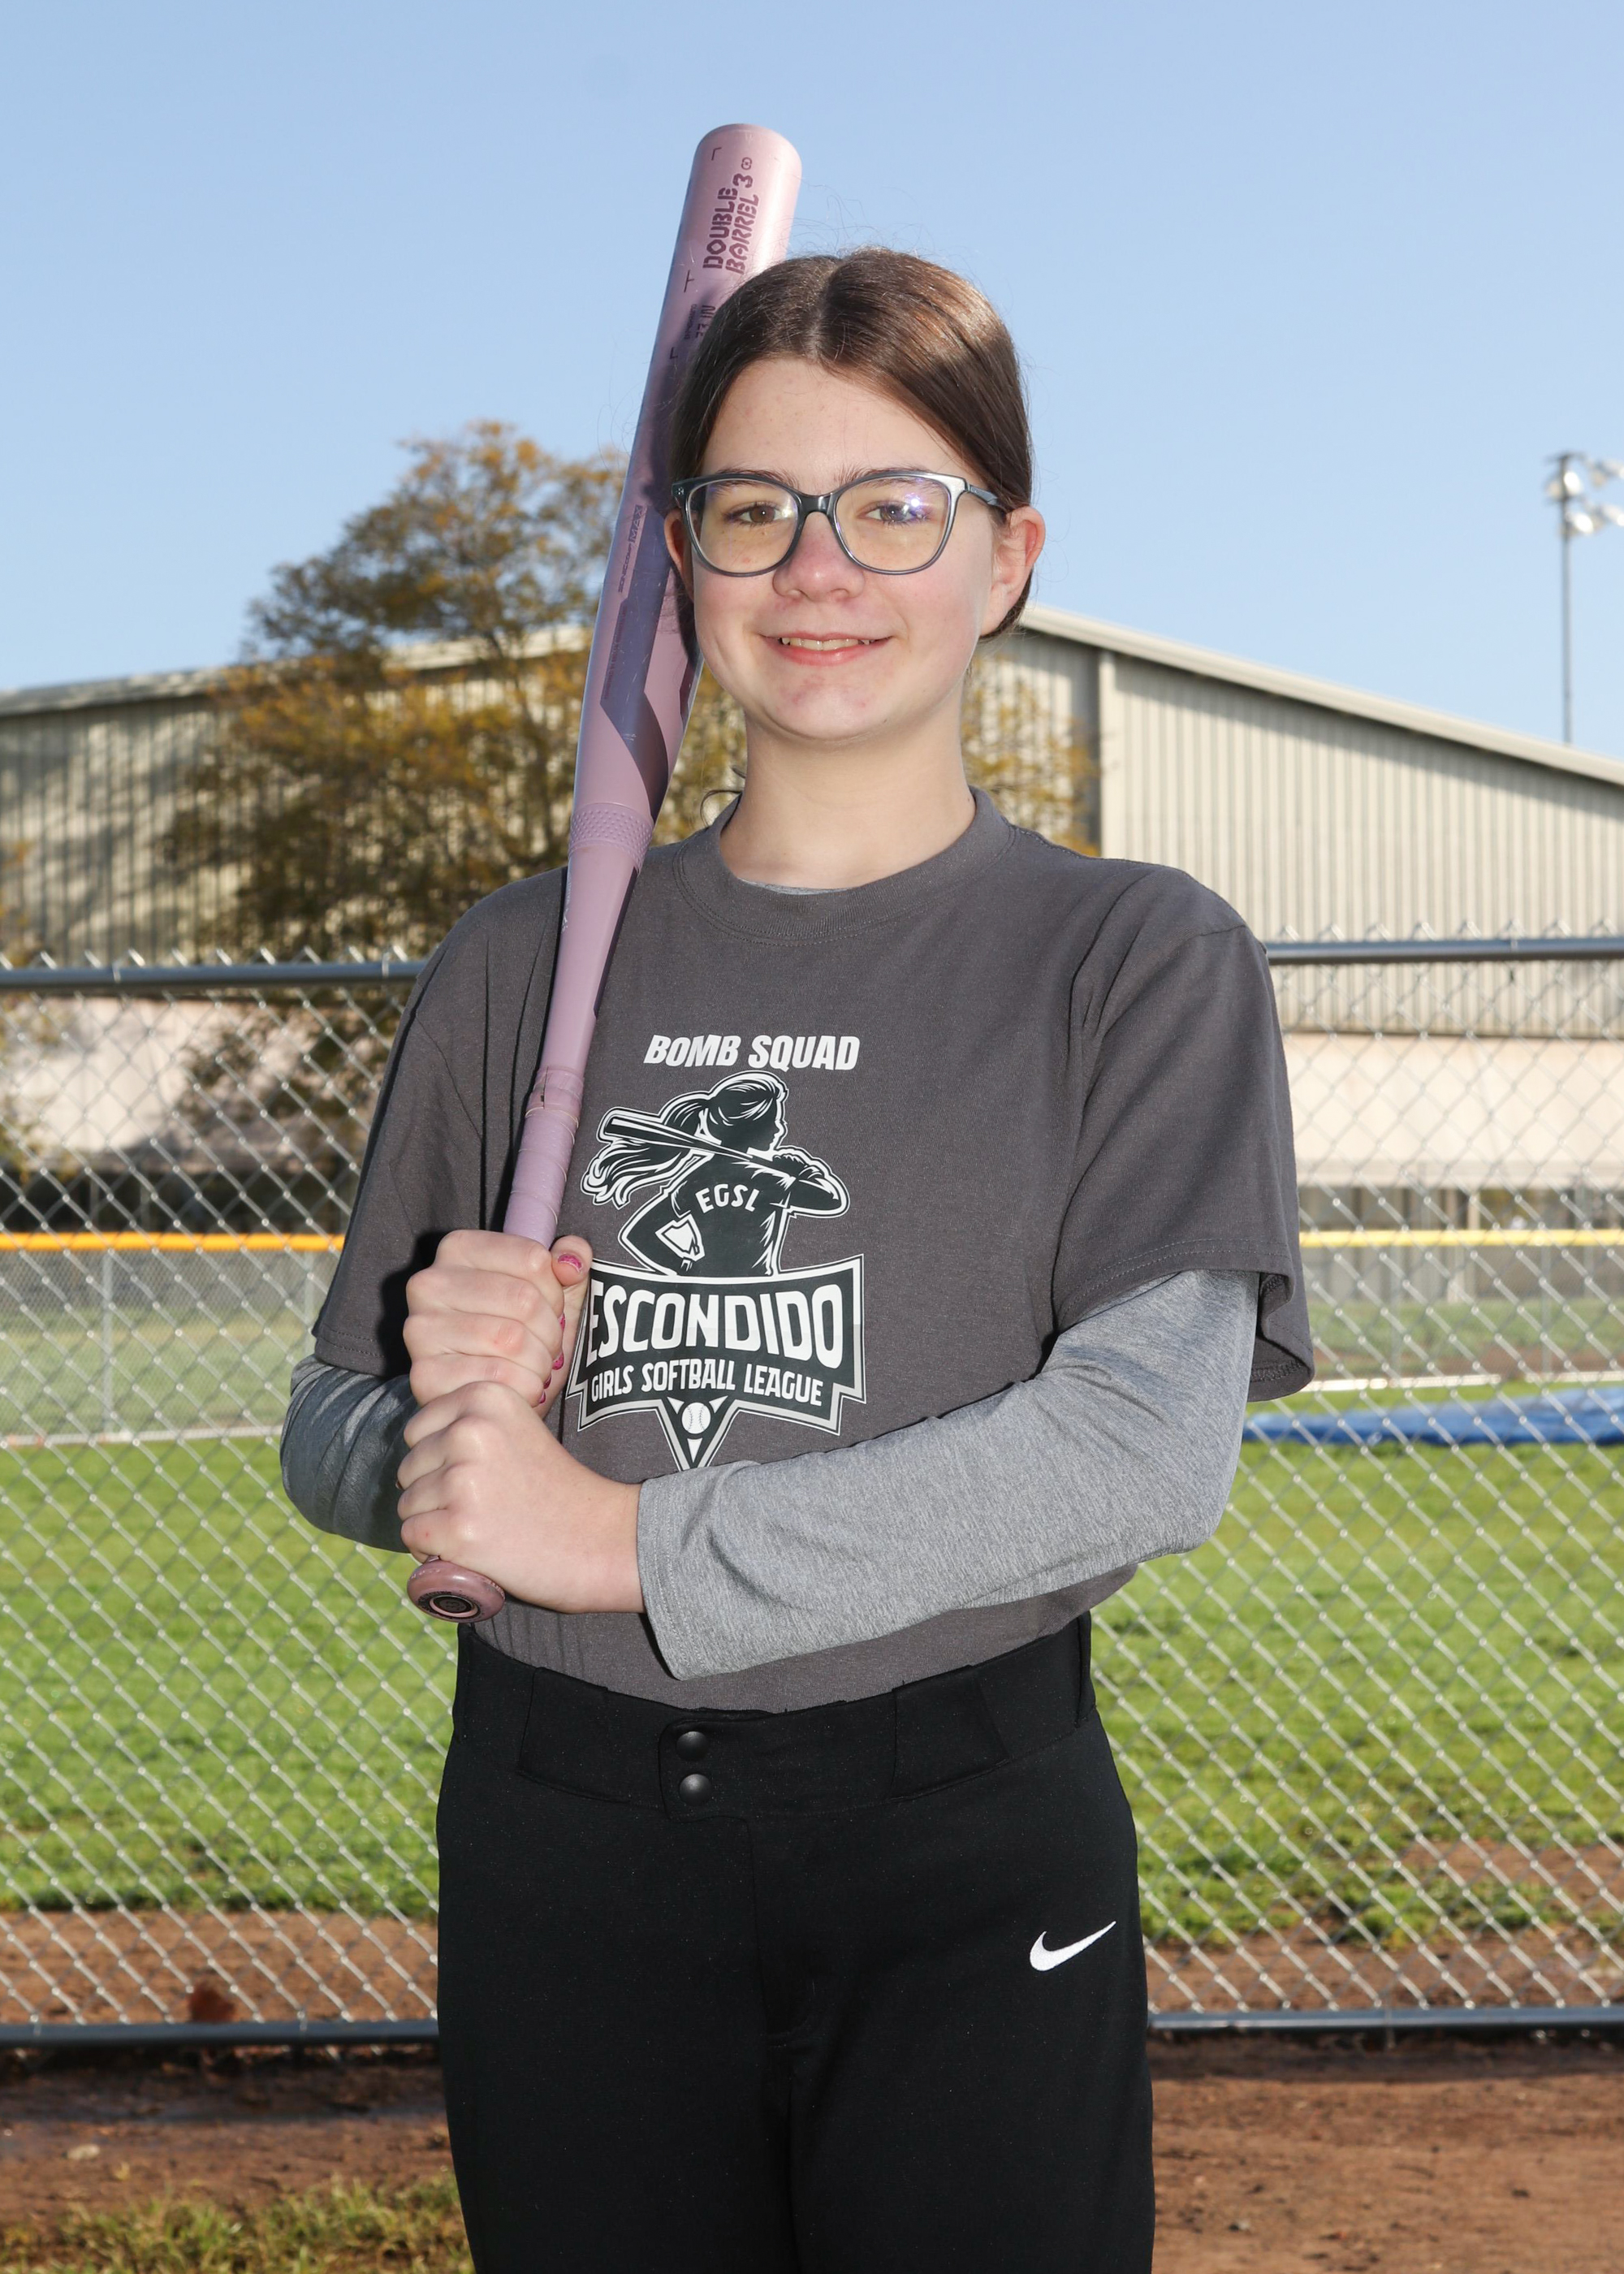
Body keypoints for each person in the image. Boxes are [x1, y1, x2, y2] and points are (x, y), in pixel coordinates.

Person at [283, 248, 1312, 2274]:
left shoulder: (1133, 956)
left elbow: (1139, 1446)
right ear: (678, 559)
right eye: (753, 507)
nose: (819, 567)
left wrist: (617, 1537)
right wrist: (432, 1433)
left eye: (894, 505)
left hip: (960, 1826)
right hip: (560, 1832)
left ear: (1008, 556)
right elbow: (326, 1426)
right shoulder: (521, 959)